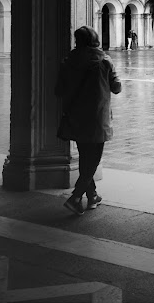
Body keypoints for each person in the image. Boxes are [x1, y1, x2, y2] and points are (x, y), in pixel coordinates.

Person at [55, 25, 121, 216]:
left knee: (85, 157)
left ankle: (92, 196)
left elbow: (58, 90)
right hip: (97, 117)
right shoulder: (105, 61)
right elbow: (116, 88)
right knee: (93, 159)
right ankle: (76, 197)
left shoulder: (68, 61)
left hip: (76, 115)